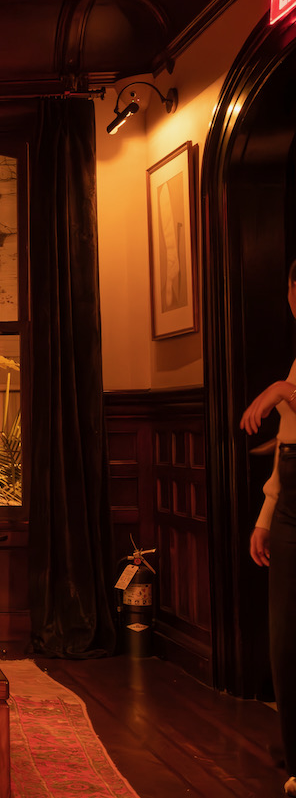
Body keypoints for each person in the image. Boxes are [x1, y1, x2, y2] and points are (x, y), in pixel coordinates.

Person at [239, 258, 296, 798]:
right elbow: (285, 449)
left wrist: (283, 389)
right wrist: (265, 517)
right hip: (292, 503)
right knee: (284, 637)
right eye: (294, 287)